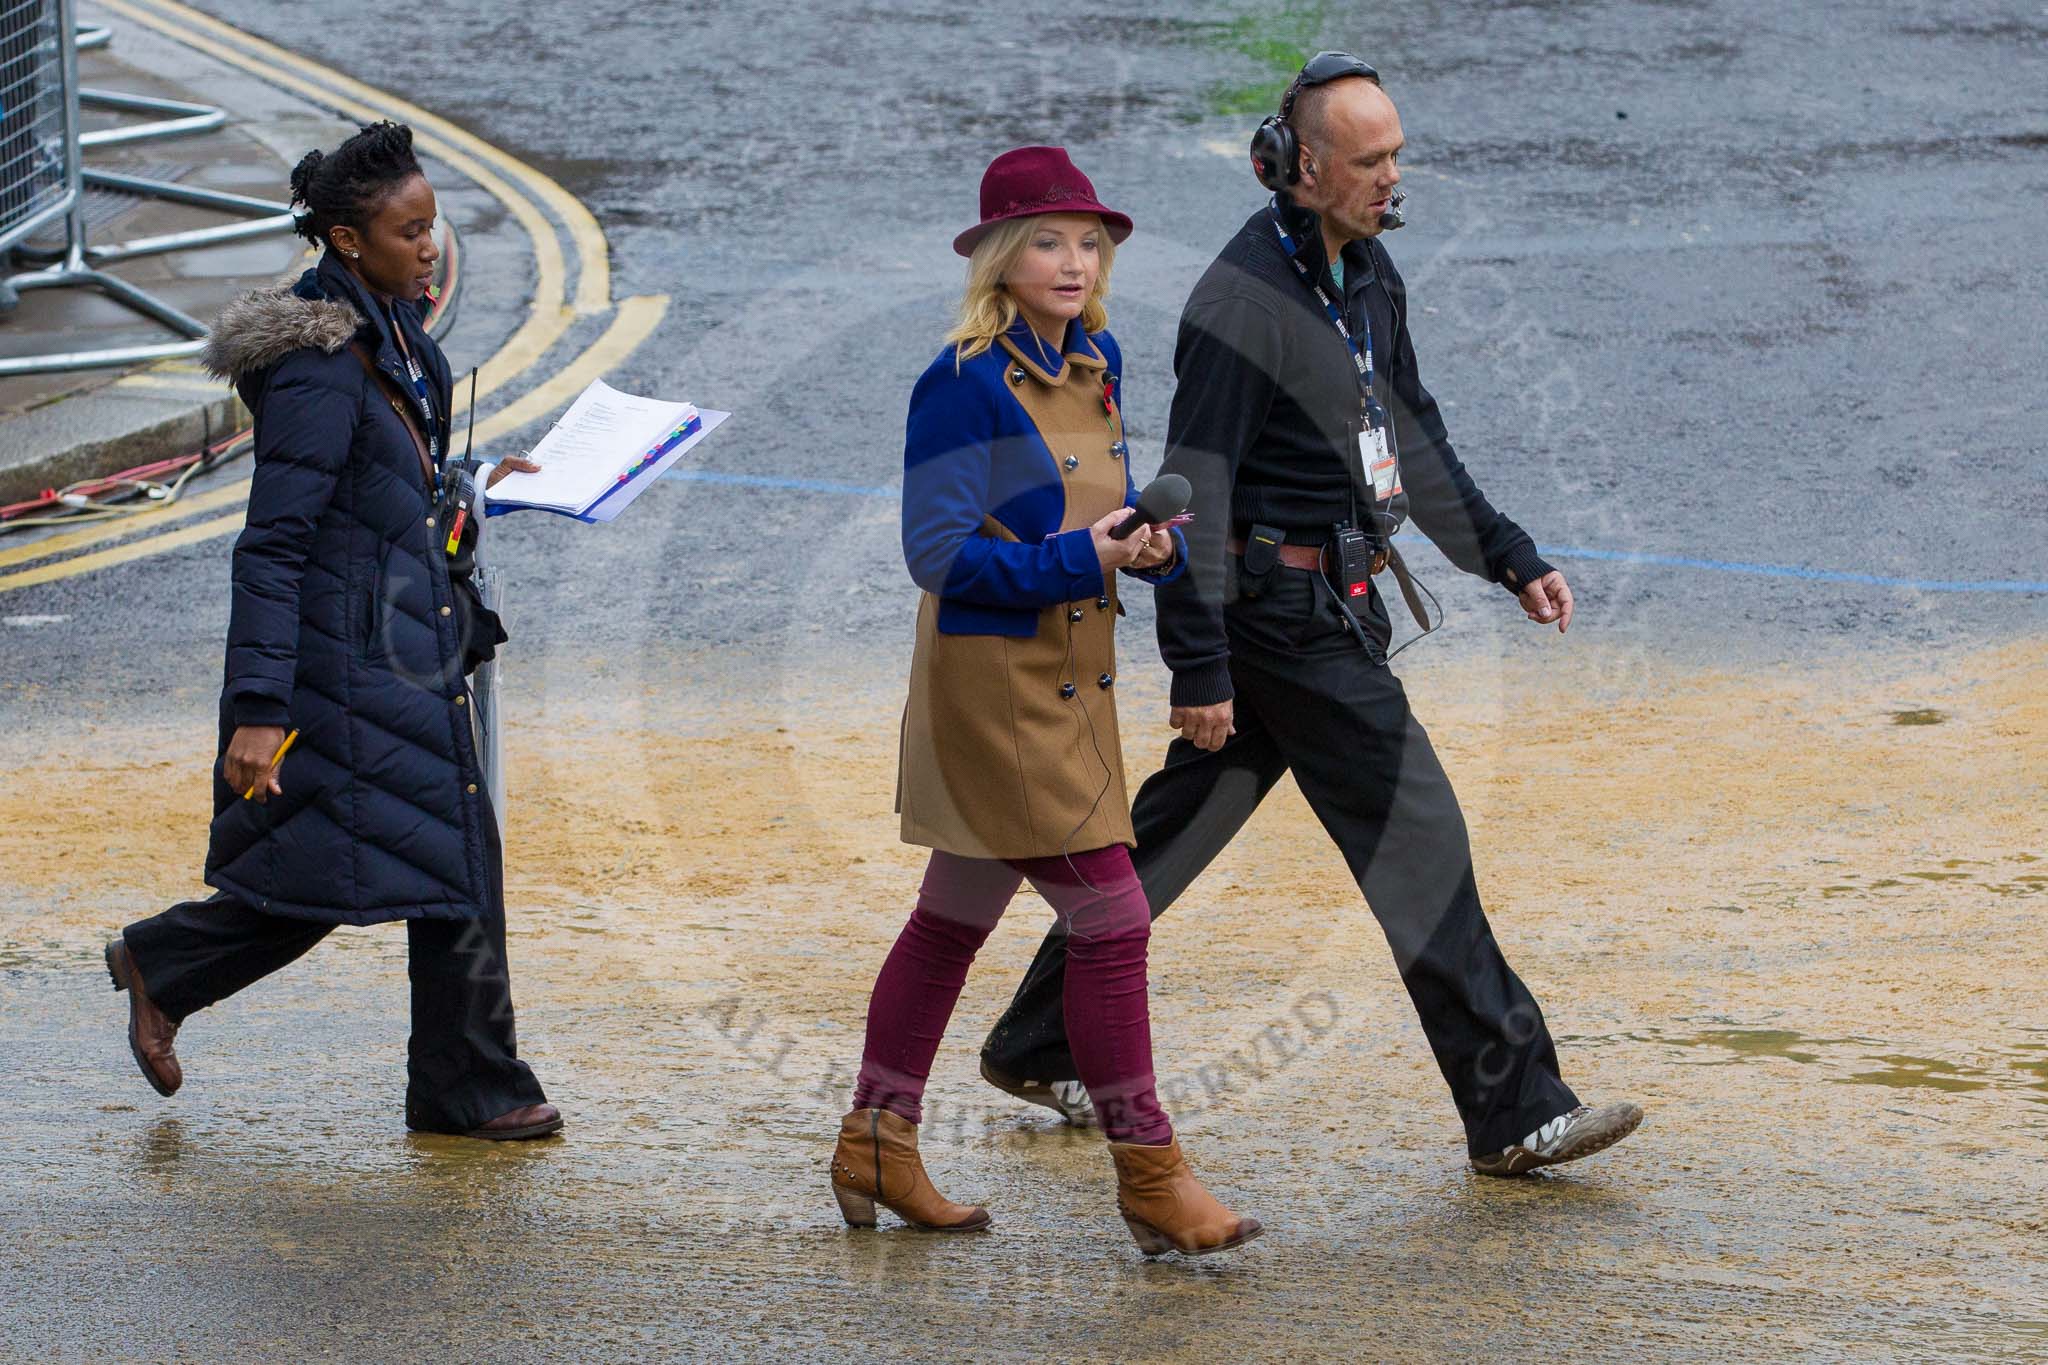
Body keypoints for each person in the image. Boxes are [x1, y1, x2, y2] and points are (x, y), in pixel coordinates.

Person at [979, 57, 1644, 1177]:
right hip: (1274, 617)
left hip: (1334, 597)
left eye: (1395, 154)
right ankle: (1515, 1109)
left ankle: (1037, 1039)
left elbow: (1411, 437)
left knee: (1173, 835)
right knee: (1417, 836)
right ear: (1300, 168)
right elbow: (1191, 495)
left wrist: (1506, 557)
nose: (1392, 176)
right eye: (1370, 160)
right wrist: (1197, 669)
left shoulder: (1366, 270)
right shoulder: (1242, 307)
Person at [827, 147, 1260, 1256]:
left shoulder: (1096, 359)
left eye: (1087, 241)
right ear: (998, 260)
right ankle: (1151, 1176)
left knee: (949, 923)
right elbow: (938, 556)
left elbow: (1098, 524)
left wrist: (1147, 552)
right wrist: (1083, 557)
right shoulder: (959, 382)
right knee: (1110, 921)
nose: (1072, 261)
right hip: (998, 693)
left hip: (1072, 684)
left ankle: (876, 1140)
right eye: (1046, 241)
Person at [103, 122, 559, 1141]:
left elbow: (382, 486)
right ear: (348, 243)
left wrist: (474, 485)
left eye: (432, 226)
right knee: (351, 866)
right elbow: (273, 546)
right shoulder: (318, 362)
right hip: (346, 665)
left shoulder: (394, 330)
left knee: (435, 864)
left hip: (406, 644)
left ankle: (461, 1082)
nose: (429, 247)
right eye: (409, 232)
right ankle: (168, 963)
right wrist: (258, 710)